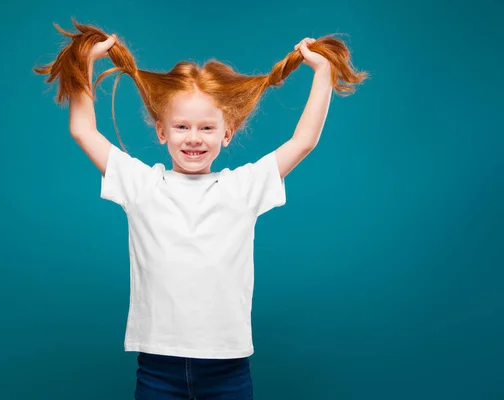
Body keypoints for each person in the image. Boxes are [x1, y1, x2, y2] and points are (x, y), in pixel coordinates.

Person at [34, 19, 367, 399]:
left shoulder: (243, 187)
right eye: (181, 127)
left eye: (207, 128)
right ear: (162, 132)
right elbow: (83, 130)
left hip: (228, 370)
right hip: (158, 368)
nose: (194, 138)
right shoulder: (141, 184)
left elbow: (304, 140)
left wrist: (323, 72)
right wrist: (85, 63)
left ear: (227, 134)